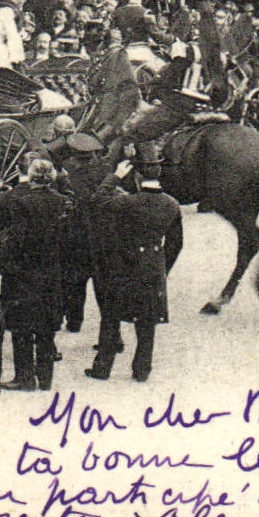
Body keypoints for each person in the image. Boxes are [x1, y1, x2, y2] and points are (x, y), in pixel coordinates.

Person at [84, 145, 183, 382]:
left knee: (111, 317)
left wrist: (115, 176)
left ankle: (102, 368)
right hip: (152, 267)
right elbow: (175, 244)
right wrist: (161, 267)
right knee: (147, 322)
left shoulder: (128, 203)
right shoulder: (171, 205)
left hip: (123, 267)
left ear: (137, 175)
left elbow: (98, 199)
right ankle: (141, 370)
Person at [0, 158, 74, 391]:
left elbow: (16, 240)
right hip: (52, 273)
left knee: (22, 327)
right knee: (46, 328)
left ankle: (24, 378)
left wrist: (0, 264)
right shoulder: (62, 202)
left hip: (23, 275)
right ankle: (45, 378)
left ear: (30, 177)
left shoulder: (20, 204)